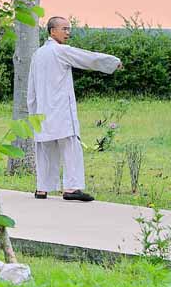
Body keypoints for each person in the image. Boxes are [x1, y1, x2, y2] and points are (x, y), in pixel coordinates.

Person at [28, 16, 123, 202]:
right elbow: (87, 58)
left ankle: (42, 188)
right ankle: (71, 188)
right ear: (52, 31)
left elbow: (31, 87)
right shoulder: (60, 51)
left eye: (68, 29)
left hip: (42, 110)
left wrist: (32, 111)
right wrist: (112, 62)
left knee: (45, 149)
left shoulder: (37, 54)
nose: (68, 33)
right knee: (71, 147)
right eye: (64, 29)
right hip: (61, 110)